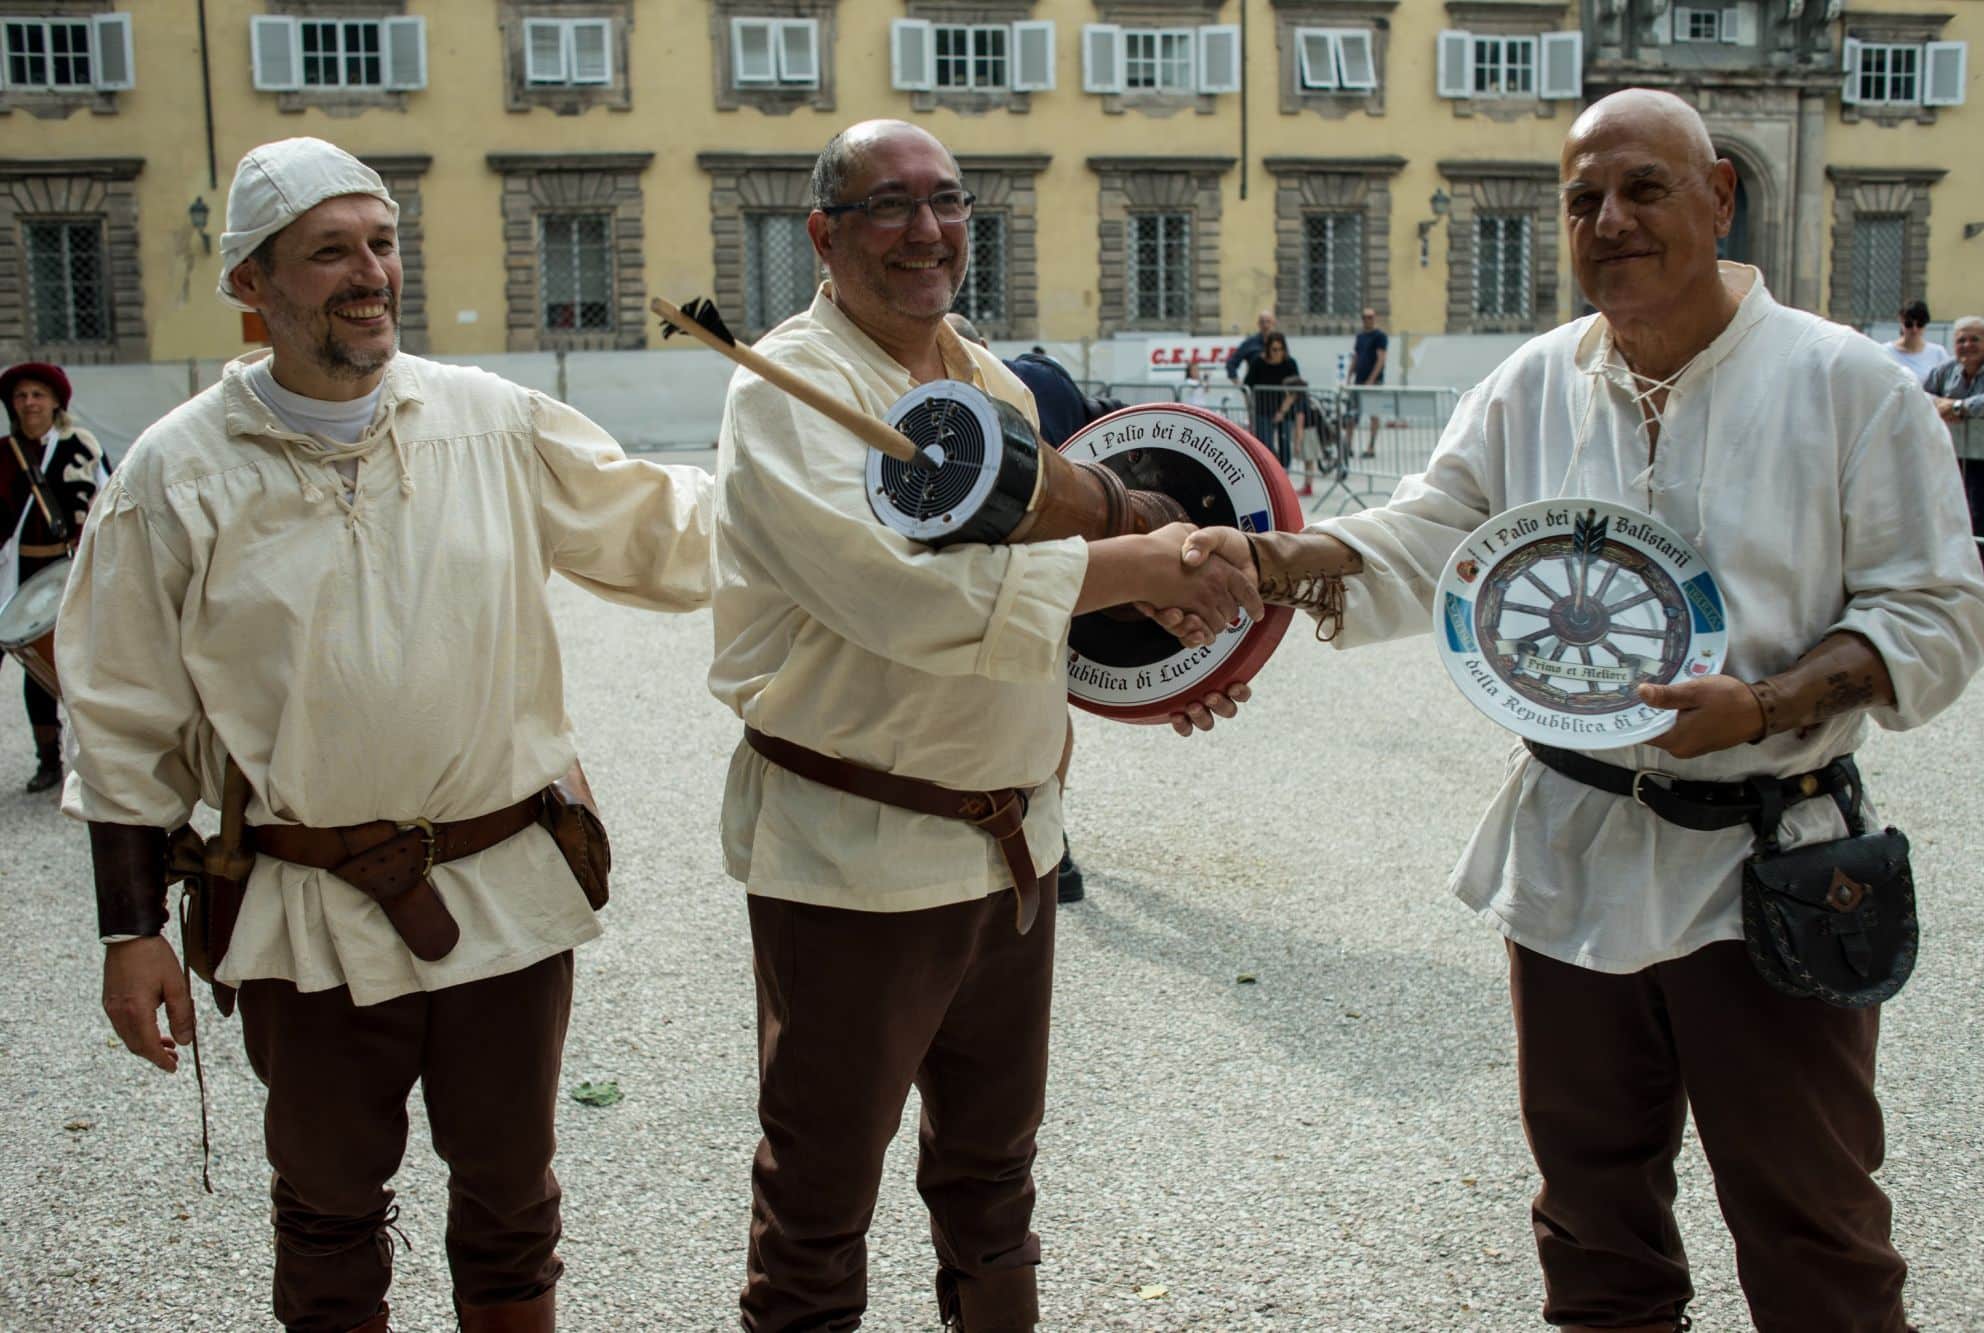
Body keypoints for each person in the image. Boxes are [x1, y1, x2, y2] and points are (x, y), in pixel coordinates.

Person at [1168, 89, 1984, 1331]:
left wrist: (1763, 703)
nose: (1607, 220)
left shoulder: (1844, 384)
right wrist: (1265, 559)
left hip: (1766, 863)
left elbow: (1937, 609)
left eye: (1642, 189)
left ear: (1718, 195)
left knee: (1811, 1229)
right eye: (1580, 199)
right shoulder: (1532, 380)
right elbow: (1433, 536)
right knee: (1591, 1226)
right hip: (1571, 855)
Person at [64, 137, 716, 1333]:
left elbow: (662, 528)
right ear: (251, 287)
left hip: (503, 895)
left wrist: (823, 489)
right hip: (306, 910)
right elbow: (119, 715)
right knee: (326, 1209)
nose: (369, 273)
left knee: (513, 1202)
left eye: (380, 243)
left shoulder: (490, 418)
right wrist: (129, 930)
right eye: (329, 252)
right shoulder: (175, 472)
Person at [709, 119, 1258, 1333]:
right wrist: (1137, 558)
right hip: (853, 860)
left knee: (992, 1182)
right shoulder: (785, 390)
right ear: (822, 234)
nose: (923, 230)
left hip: (1012, 853)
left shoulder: (991, 386)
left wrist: (1171, 661)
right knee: (816, 1199)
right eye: (886, 205)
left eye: (943, 201)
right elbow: (903, 600)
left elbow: (1055, 607)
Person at [942, 311, 1096, 905]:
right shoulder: (1041, 382)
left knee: (1042, 702)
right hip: (1039, 572)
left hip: (1045, 571)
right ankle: (1041, 836)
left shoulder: (1030, 388)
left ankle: (1046, 835)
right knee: (1036, 702)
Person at [1, 361, 103, 792]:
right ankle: (49, 760)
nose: (29, 404)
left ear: (56, 402)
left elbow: (104, 502)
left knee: (57, 667)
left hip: (62, 572)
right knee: (24, 665)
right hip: (10, 572)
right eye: (21, 396)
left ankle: (69, 759)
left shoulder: (79, 446)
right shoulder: (3, 454)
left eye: (38, 395)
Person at [1920, 314, 1984, 422]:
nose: (1967, 345)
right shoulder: (1945, 368)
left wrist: (1958, 407)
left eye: (1974, 339)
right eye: (1961, 341)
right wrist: (1938, 402)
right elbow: (1920, 395)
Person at [1241, 329, 1301, 472]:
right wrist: (1250, 408)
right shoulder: (1258, 363)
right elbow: (1246, 386)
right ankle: (1271, 471)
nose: (1277, 353)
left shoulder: (1290, 363)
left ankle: (1284, 470)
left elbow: (1295, 390)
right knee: (1265, 443)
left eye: (1280, 349)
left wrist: (1282, 411)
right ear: (1268, 349)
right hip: (1262, 410)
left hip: (1285, 409)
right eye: (1274, 349)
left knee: (1285, 443)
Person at [1345, 307, 1389, 458]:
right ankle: (1348, 446)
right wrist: (1349, 376)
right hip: (1358, 381)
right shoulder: (1360, 336)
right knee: (1351, 415)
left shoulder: (1380, 336)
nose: (1367, 320)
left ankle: (1371, 447)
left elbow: (1381, 359)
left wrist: (1371, 379)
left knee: (1373, 415)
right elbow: (1356, 357)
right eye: (1365, 317)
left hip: (1373, 382)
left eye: (1370, 317)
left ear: (1374, 318)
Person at [1879, 299, 1949, 383]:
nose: (1914, 329)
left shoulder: (1938, 353)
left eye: (1920, 324)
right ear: (1901, 322)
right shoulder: (1885, 351)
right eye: (1909, 324)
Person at [1224, 309, 1276, 382]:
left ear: (1274, 323)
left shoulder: (1279, 342)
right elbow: (1231, 364)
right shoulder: (1250, 342)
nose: (1265, 325)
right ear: (1258, 324)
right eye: (1262, 322)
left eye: (1268, 321)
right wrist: (1241, 386)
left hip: (1276, 389)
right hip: (1255, 389)